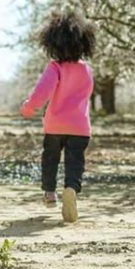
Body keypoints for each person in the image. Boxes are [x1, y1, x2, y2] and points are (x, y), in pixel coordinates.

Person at [20, 11, 96, 223]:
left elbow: (42, 93)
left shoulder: (55, 67)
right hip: (80, 126)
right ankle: (71, 187)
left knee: (50, 158)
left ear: (53, 43)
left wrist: (28, 108)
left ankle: (50, 192)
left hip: (55, 125)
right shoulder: (87, 70)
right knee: (75, 161)